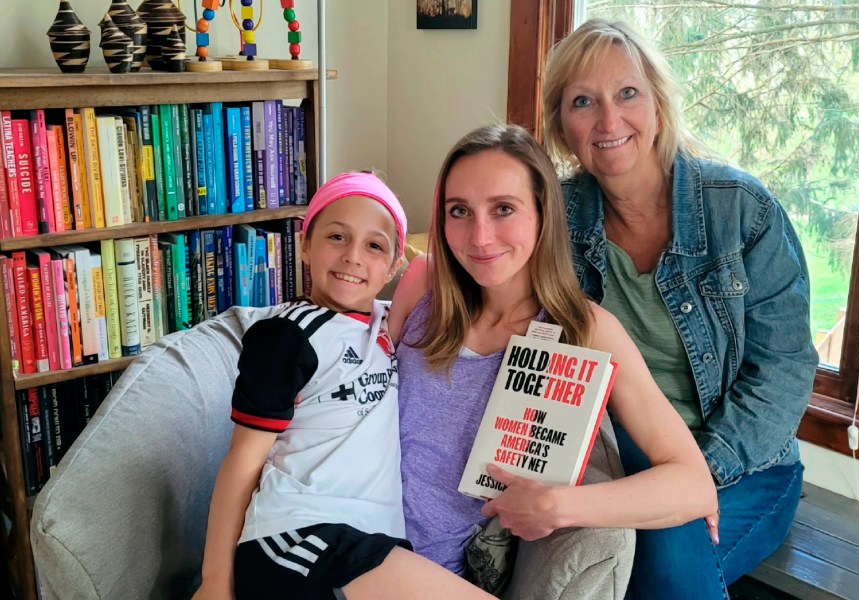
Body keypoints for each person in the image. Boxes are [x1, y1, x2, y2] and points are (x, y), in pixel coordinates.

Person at [542, 18, 820, 598]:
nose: (609, 121)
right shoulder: (555, 223)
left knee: (662, 565)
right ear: (563, 128)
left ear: (659, 106)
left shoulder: (743, 211)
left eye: (627, 94)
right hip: (617, 458)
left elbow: (784, 373)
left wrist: (695, 477)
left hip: (745, 460)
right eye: (583, 102)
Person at [389, 124, 717, 594]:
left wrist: (558, 507)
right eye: (459, 211)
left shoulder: (585, 330)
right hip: (349, 526)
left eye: (504, 209)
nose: (480, 237)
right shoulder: (424, 283)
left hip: (439, 575)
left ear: (544, 214)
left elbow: (692, 484)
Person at [193, 172, 494, 600]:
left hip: (372, 548)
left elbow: (433, 267)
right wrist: (215, 583)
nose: (353, 256)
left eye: (374, 246)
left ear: (395, 266)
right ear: (304, 245)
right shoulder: (285, 334)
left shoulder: (390, 325)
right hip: (298, 538)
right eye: (337, 236)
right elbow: (242, 461)